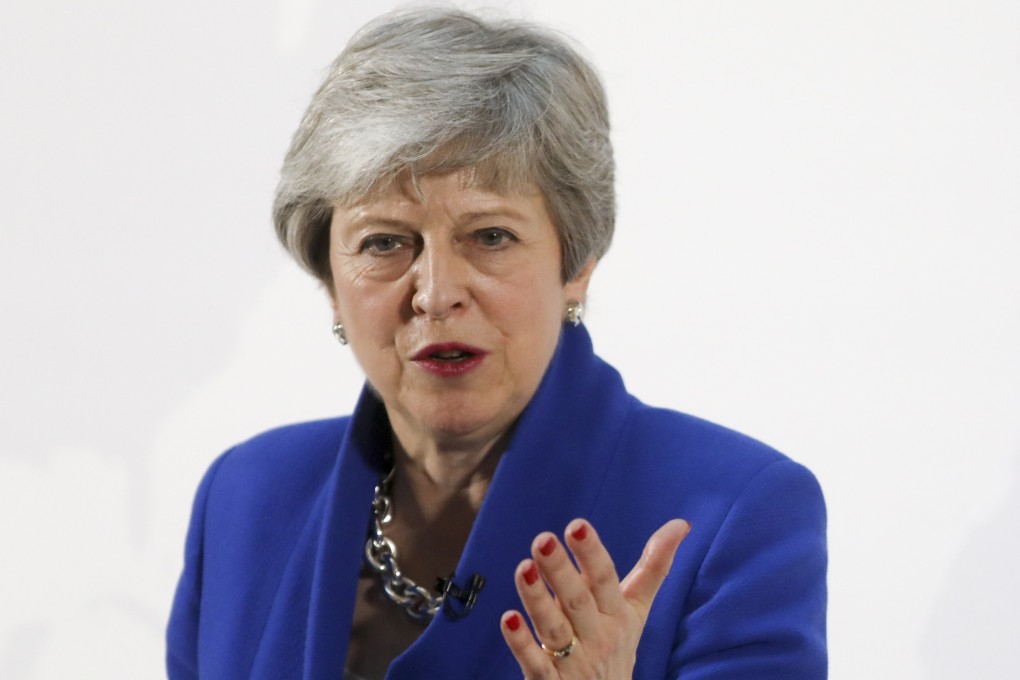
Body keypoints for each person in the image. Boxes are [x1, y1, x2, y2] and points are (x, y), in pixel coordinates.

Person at [166, 8, 827, 680]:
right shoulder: (245, 497)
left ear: (576, 265)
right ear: (331, 282)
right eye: (385, 243)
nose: (436, 292)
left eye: (489, 237)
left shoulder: (734, 512)